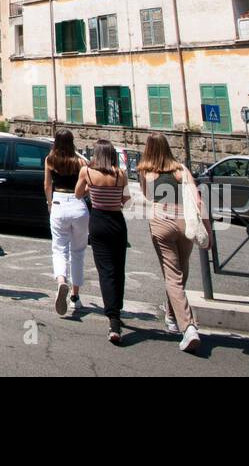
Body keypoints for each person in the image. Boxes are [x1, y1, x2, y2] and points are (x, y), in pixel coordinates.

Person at [137, 133, 206, 353]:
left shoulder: (146, 172)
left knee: (172, 275)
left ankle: (188, 327)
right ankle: (172, 316)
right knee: (181, 272)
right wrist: (209, 233)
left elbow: (148, 197)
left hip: (162, 222)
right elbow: (198, 200)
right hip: (184, 223)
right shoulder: (181, 170)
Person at [76, 139, 130, 344]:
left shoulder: (87, 173)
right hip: (117, 222)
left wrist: (92, 190)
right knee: (118, 269)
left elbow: (78, 193)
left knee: (105, 271)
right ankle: (118, 309)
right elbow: (126, 200)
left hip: (98, 222)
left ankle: (113, 319)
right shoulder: (121, 174)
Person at [44, 129, 88, 315]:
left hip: (59, 202)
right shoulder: (80, 162)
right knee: (77, 252)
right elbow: (86, 186)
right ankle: (75, 297)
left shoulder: (50, 160)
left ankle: (62, 280)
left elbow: (47, 185)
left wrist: (49, 203)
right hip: (78, 205)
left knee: (59, 248)